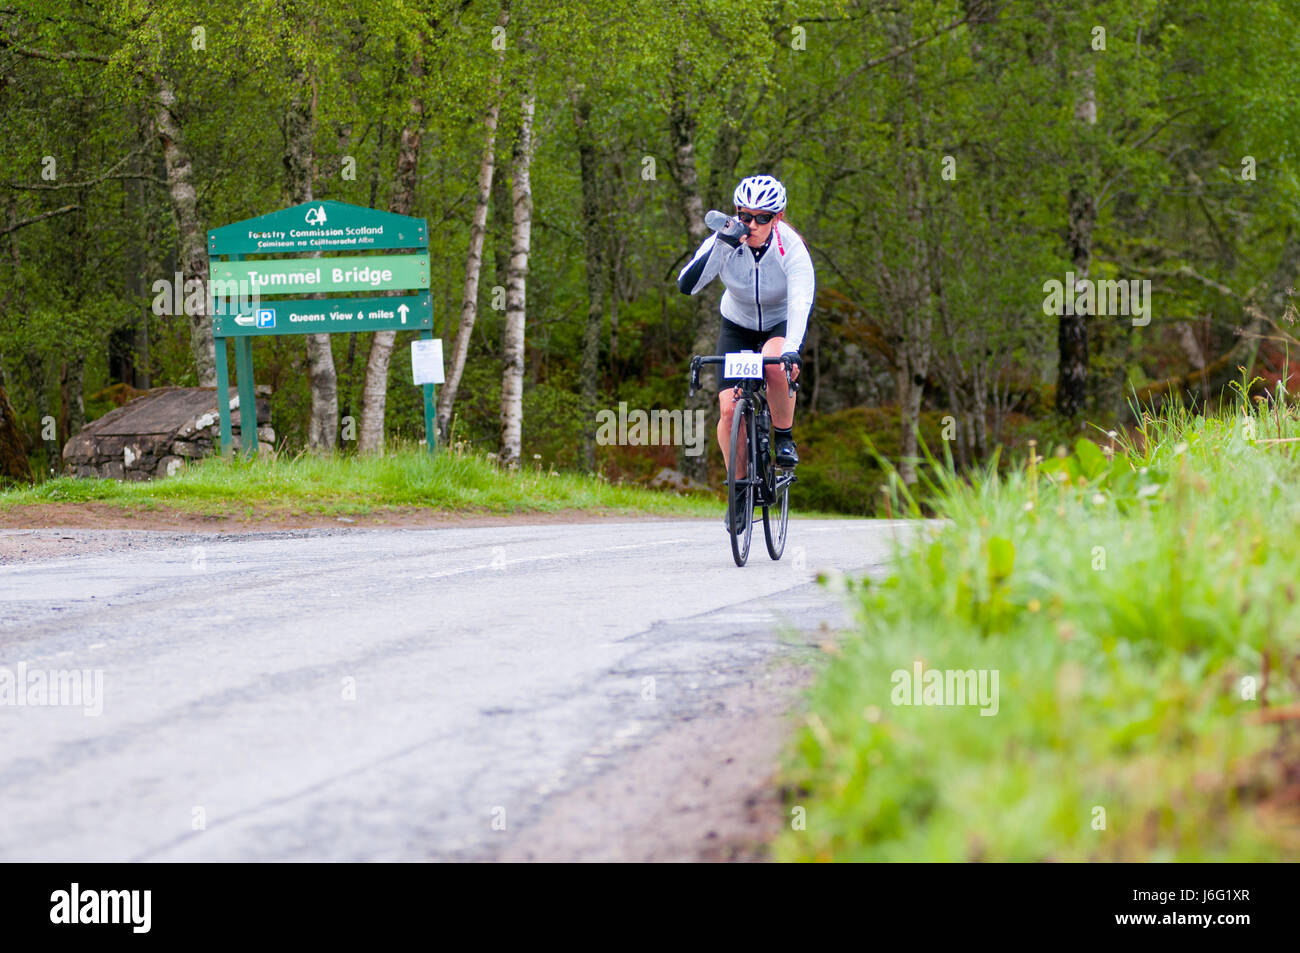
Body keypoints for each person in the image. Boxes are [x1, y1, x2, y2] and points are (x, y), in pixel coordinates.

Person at [676, 174, 814, 531]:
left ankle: (782, 435)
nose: (751, 224)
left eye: (761, 218)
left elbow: (801, 300)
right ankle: (737, 490)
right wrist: (722, 243)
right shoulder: (726, 237)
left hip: (779, 323)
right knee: (727, 408)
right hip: (736, 324)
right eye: (744, 215)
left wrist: (792, 351)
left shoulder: (791, 247)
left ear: (777, 218)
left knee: (773, 368)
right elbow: (687, 285)